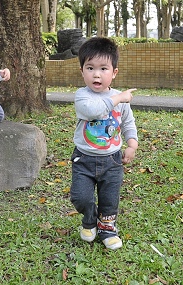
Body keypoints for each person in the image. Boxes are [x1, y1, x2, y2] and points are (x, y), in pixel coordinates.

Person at [70, 37, 139, 250]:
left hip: (112, 160)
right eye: (90, 68)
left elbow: (127, 122)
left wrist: (132, 143)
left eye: (103, 68)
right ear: (82, 71)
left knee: (109, 199)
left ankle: (107, 228)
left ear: (114, 73)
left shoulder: (121, 100)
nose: (96, 74)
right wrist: (118, 99)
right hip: (84, 159)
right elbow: (93, 111)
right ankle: (90, 219)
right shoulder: (82, 96)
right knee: (80, 197)